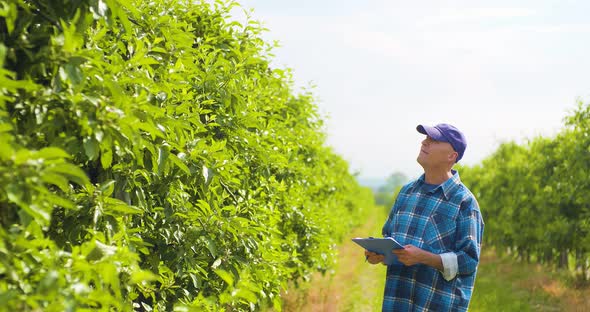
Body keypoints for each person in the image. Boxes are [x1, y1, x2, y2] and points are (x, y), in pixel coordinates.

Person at [365, 123, 484, 311]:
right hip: (397, 302)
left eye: (433, 140)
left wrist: (424, 258)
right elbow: (389, 239)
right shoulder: (406, 193)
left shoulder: (464, 202)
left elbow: (469, 261)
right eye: (426, 138)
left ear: (451, 156)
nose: (424, 142)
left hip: (435, 305)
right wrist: (377, 254)